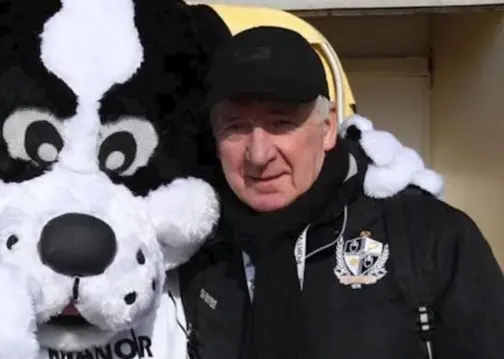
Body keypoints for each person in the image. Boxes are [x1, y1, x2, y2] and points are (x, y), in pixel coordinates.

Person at [178, 26, 504, 359]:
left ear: (329, 126)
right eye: (236, 127)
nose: (259, 155)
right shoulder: (194, 254)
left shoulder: (428, 236)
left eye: (281, 123)